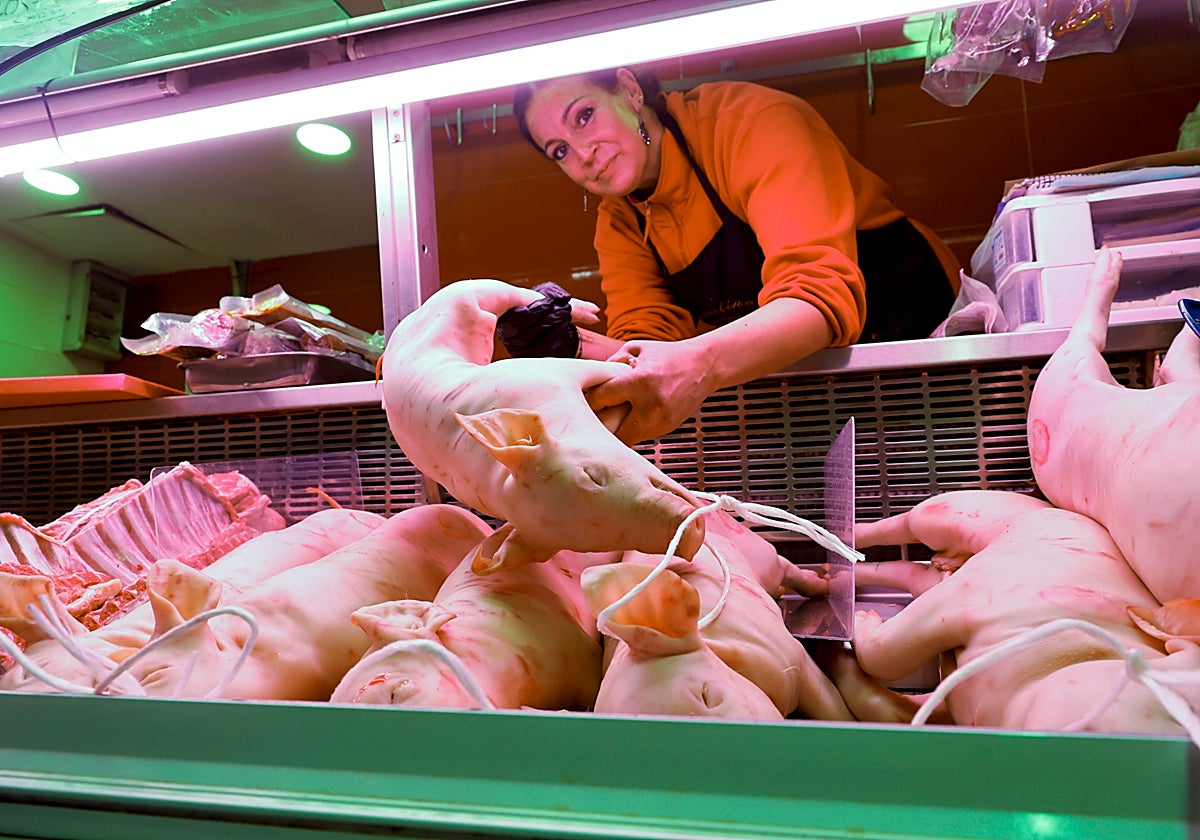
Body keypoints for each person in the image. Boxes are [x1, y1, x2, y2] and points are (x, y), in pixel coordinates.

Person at [505, 67, 961, 445]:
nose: (583, 155)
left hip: (925, 354)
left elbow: (817, 299)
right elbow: (644, 348)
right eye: (559, 150)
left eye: (584, 116)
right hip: (806, 393)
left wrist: (697, 364)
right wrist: (564, 345)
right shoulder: (620, 221)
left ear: (629, 89)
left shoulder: (751, 122)